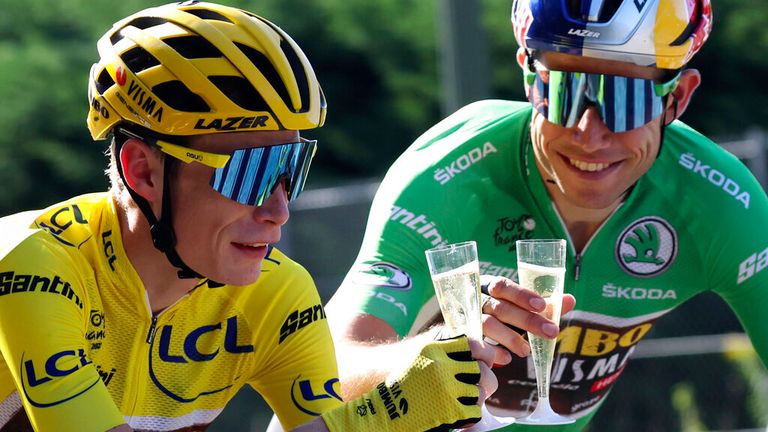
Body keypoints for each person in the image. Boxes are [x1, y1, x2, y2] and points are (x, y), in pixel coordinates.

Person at [0, 2, 501, 431]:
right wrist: (372, 421)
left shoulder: (276, 293)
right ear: (143, 172)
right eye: (251, 172)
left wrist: (412, 394)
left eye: (291, 169)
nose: (279, 210)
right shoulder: (31, 266)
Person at [326, 0, 768, 430]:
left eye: (625, 100)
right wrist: (426, 355)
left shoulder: (718, 202)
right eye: (563, 92)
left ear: (679, 98)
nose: (588, 134)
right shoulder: (448, 176)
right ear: (529, 79)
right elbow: (322, 373)